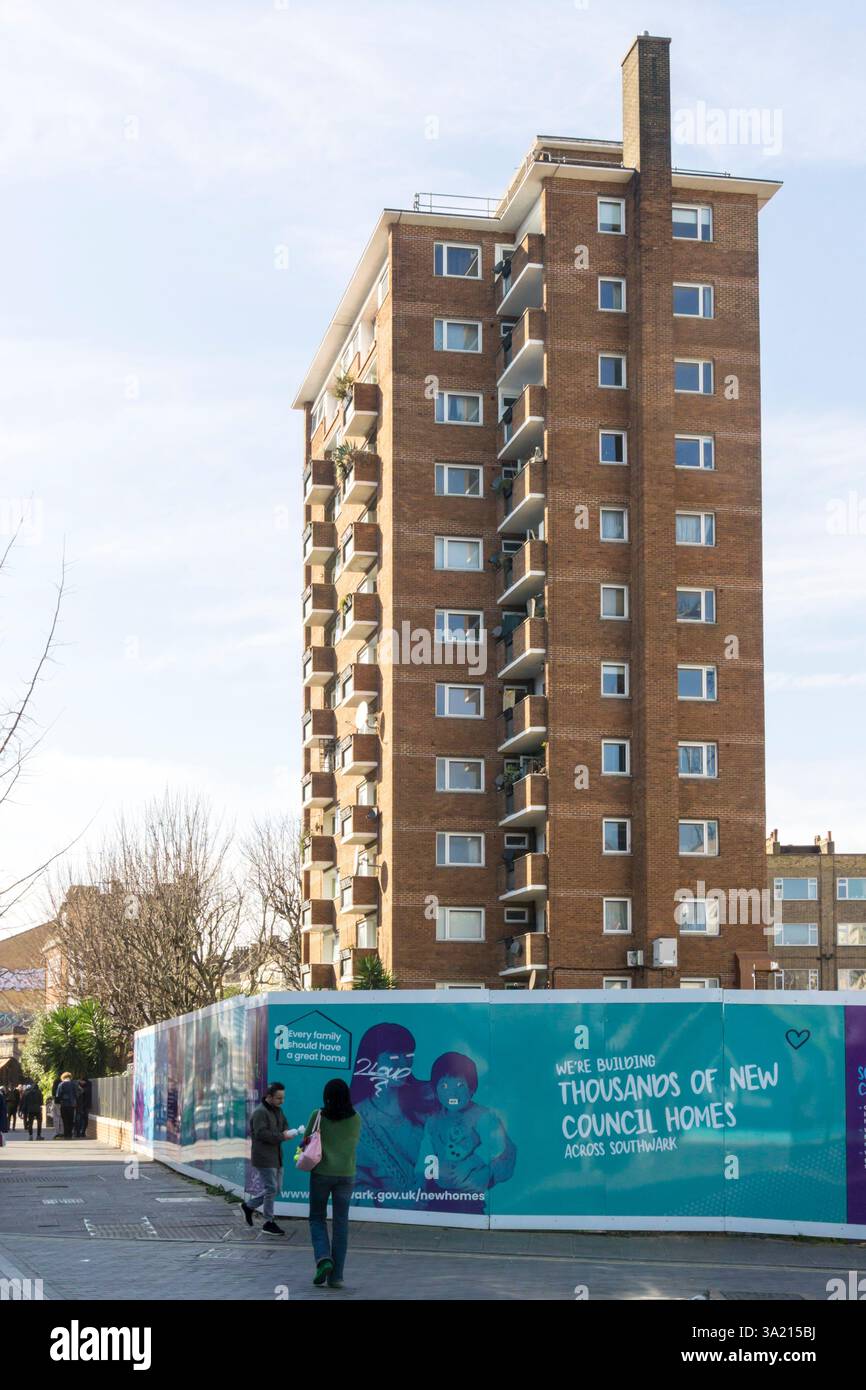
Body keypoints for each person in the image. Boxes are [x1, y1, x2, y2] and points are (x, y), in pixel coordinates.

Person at [304, 1078, 362, 1290]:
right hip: (346, 1175)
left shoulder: (318, 1115)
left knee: (317, 1218)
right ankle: (336, 1277)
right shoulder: (356, 1118)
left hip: (321, 1174)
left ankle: (323, 1259)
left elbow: (306, 1141)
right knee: (341, 1224)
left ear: (326, 1096)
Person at [241, 1082, 304, 1235]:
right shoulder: (260, 1113)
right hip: (264, 1156)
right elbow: (261, 1134)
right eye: (278, 1098)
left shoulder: (278, 1111)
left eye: (282, 1098)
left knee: (276, 1189)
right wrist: (283, 1135)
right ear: (269, 1097)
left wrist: (291, 1132)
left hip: (277, 1156)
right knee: (271, 1188)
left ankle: (249, 1206)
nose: (281, 1101)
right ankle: (268, 1222)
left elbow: (284, 1126)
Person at [55, 1072, 77, 1139]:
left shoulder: (61, 1084)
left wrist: (58, 1102)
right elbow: (77, 1093)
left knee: (65, 1120)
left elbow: (58, 1095)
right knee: (71, 1120)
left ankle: (66, 1134)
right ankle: (70, 1134)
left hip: (64, 1104)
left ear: (63, 1077)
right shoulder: (73, 1084)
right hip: (72, 1105)